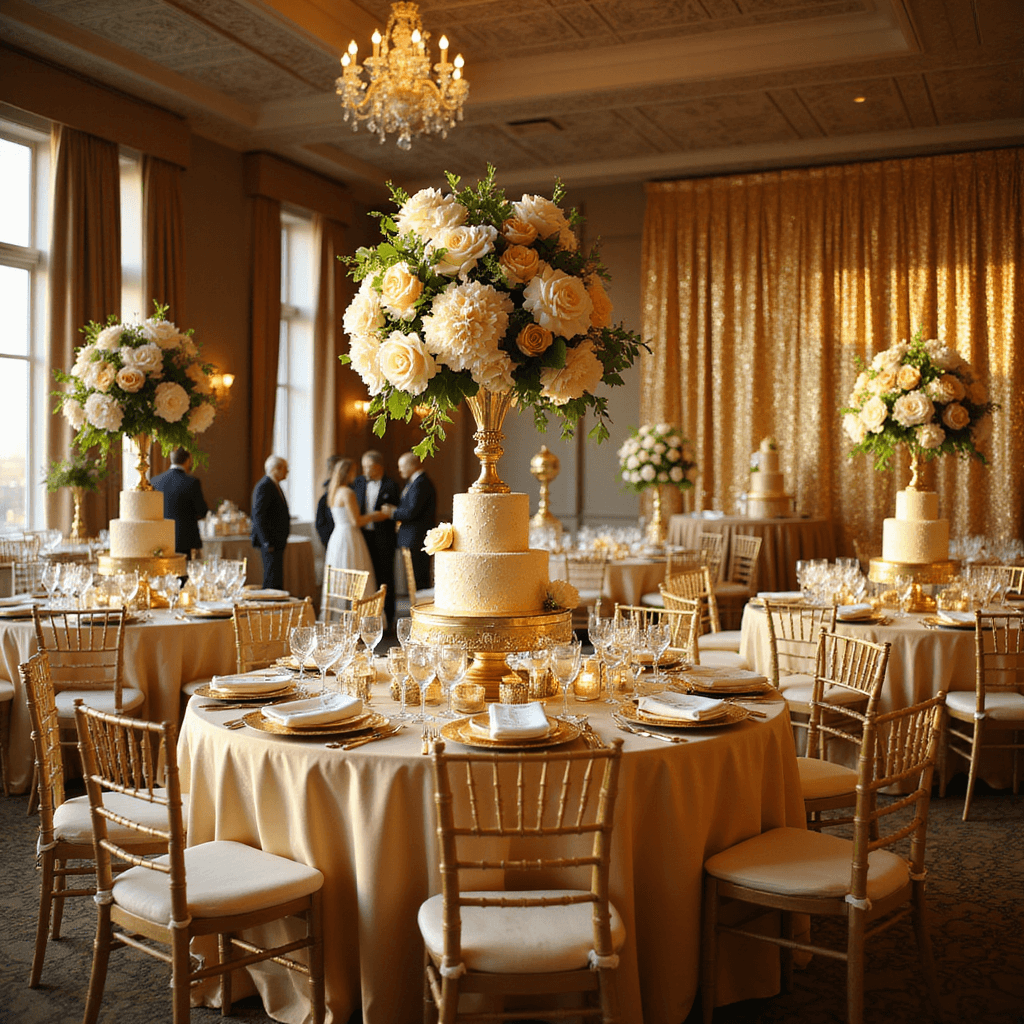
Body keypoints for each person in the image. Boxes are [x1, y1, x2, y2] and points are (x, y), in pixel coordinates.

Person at [323, 458, 389, 594]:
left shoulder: (334, 492)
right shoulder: (348, 493)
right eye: (354, 471)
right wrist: (375, 515)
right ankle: (356, 605)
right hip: (350, 536)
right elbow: (356, 521)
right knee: (354, 569)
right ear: (348, 473)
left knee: (340, 570)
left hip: (337, 536)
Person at [351, 450, 400, 627]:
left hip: (384, 538)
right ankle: (366, 616)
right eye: (363, 466)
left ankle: (388, 616)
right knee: (367, 577)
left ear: (379, 467)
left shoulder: (392, 485)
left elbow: (397, 511)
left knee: (385, 576)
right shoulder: (357, 483)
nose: (365, 470)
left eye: (368, 467)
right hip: (362, 537)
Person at [384, 452, 436, 591]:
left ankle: (419, 604)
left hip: (416, 539)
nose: (399, 470)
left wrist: (392, 512)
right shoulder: (415, 482)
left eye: (401, 466)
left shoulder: (421, 483)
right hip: (413, 539)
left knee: (419, 579)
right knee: (414, 580)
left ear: (411, 466)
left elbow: (412, 512)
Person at [150, 447, 208, 557]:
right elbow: (202, 511)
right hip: (185, 540)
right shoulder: (192, 482)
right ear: (188, 460)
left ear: (171, 459)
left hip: (160, 539)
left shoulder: (155, 481)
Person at [250, 455, 291, 590]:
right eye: (285, 468)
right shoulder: (264, 486)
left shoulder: (274, 485)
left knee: (276, 578)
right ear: (276, 469)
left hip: (276, 542)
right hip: (270, 543)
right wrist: (266, 541)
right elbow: (259, 516)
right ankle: (270, 602)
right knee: (271, 579)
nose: (287, 471)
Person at [315, 455, 341, 548]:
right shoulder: (325, 497)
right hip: (330, 536)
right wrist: (328, 540)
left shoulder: (352, 488)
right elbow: (320, 522)